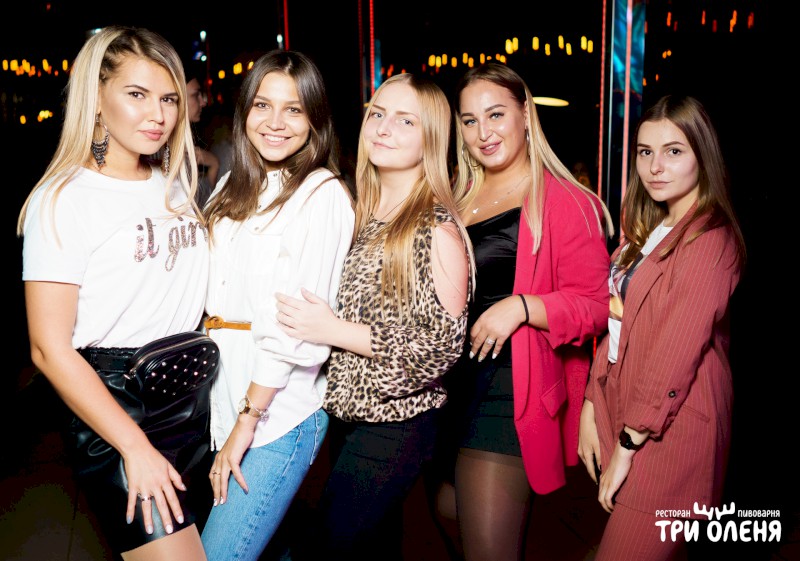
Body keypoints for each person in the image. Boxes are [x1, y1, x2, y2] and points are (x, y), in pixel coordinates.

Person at [18, 26, 211, 560]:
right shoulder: (64, 199)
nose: (158, 114)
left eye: (169, 98)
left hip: (194, 400)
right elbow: (48, 349)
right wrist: (132, 445)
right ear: (97, 101)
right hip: (121, 408)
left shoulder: (173, 183)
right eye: (137, 94)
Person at [274, 72, 474, 561]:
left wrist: (333, 330)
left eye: (406, 121)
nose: (384, 128)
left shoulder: (435, 227)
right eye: (378, 114)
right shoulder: (360, 213)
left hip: (398, 421)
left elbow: (441, 348)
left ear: (432, 137)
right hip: (346, 415)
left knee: (327, 549)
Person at [427, 61, 613, 561]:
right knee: (446, 510)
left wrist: (524, 307)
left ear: (525, 114)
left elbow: (597, 307)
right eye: (470, 121)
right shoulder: (455, 196)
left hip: (509, 391)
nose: (483, 133)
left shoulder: (566, 201)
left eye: (496, 115)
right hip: (448, 389)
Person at [199, 50, 355, 561]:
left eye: (293, 109)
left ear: (315, 120)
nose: (275, 122)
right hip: (225, 399)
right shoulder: (233, 186)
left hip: (276, 416)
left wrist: (247, 420)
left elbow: (294, 326)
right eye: (263, 105)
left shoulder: (320, 193)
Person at [578, 94, 746, 560]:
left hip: (670, 432)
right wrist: (591, 402)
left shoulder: (710, 239)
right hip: (632, 414)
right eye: (645, 151)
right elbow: (619, 323)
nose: (655, 166)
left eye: (673, 151)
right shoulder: (650, 229)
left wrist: (628, 444)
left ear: (702, 156)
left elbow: (675, 352)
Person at [184, 58, 220, 207]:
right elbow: (199, 208)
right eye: (195, 95)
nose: (203, 102)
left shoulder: (185, 143)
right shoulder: (160, 148)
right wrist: (214, 165)